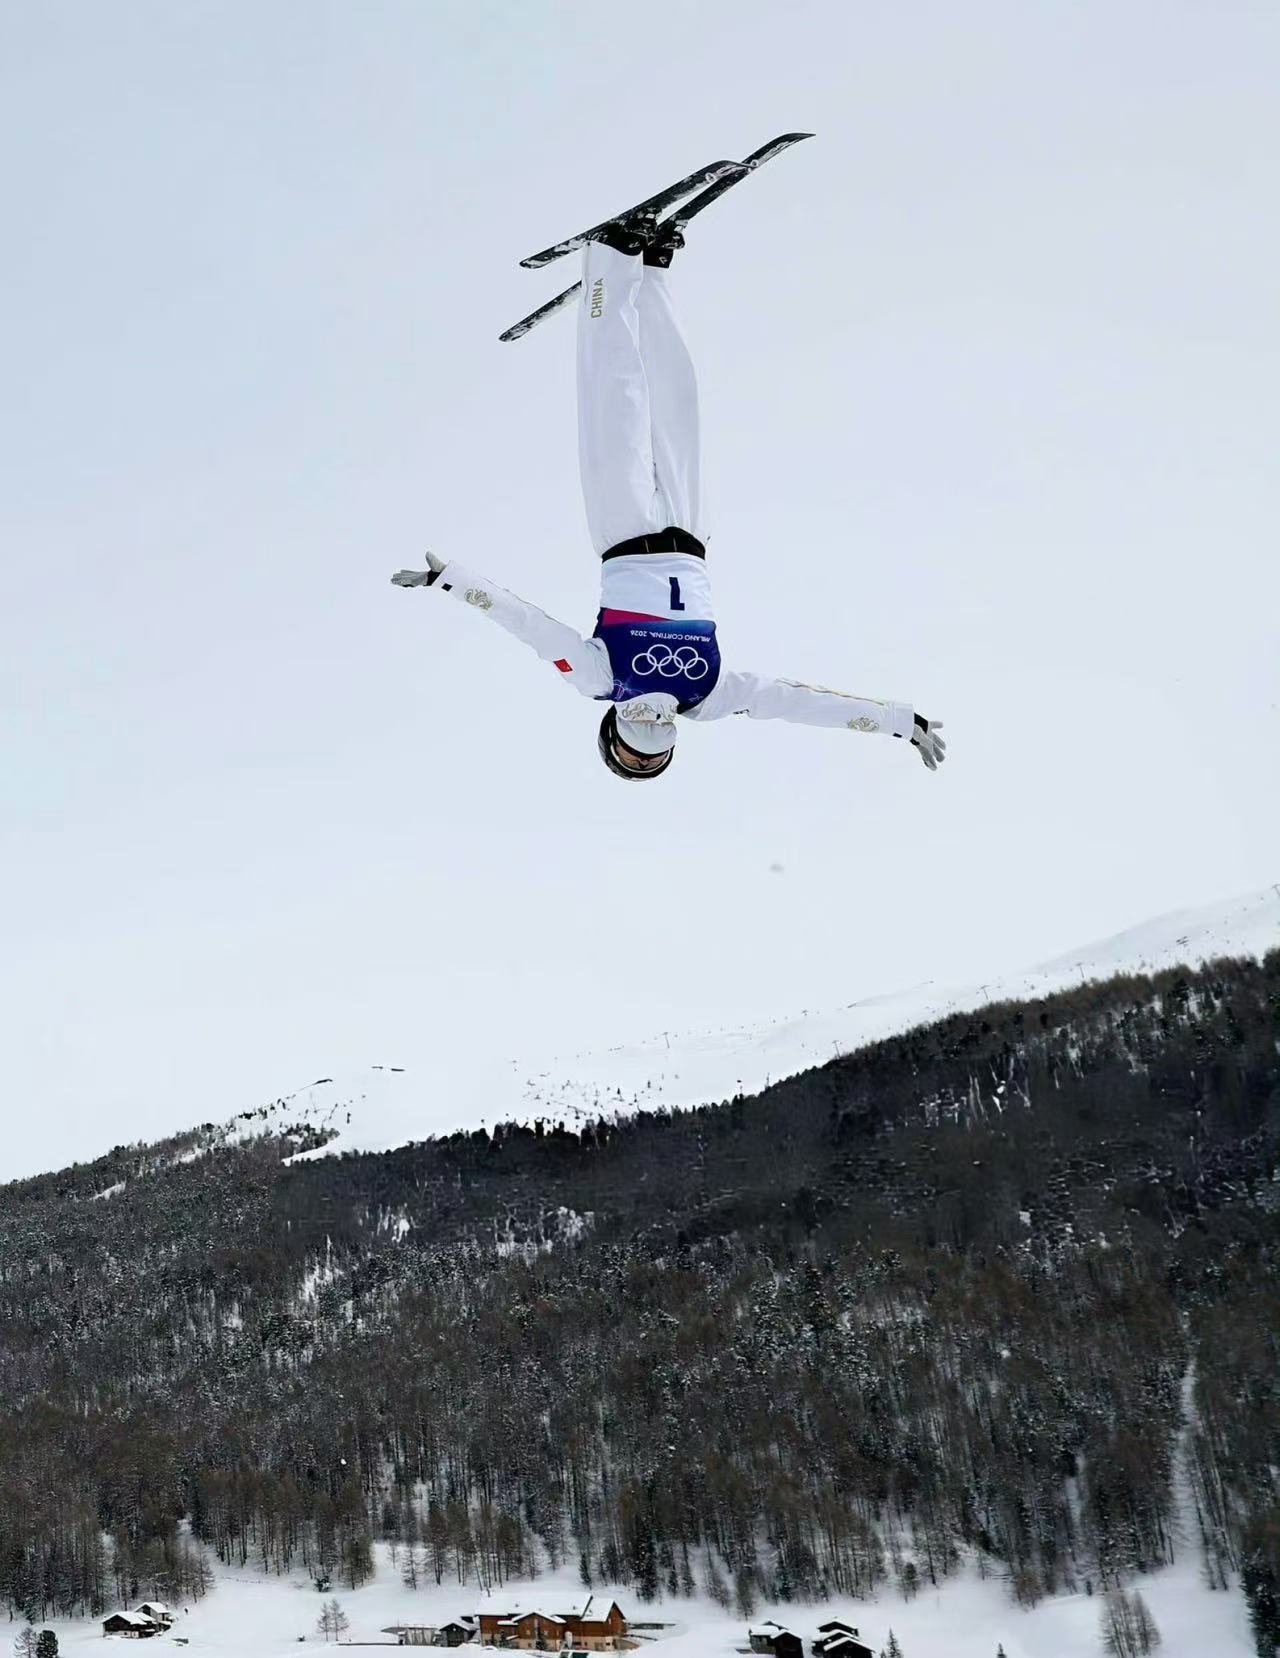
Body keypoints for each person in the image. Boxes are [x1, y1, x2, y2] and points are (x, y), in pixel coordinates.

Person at [393, 212, 945, 782]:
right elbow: (795, 702)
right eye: (653, 759)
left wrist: (453, 582)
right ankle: (654, 272)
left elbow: (531, 627)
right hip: (691, 533)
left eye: (633, 756)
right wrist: (894, 721)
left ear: (612, 736)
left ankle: (611, 264)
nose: (647, 747)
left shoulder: (600, 679)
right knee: (681, 403)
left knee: (617, 402)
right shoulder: (707, 696)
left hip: (625, 529)